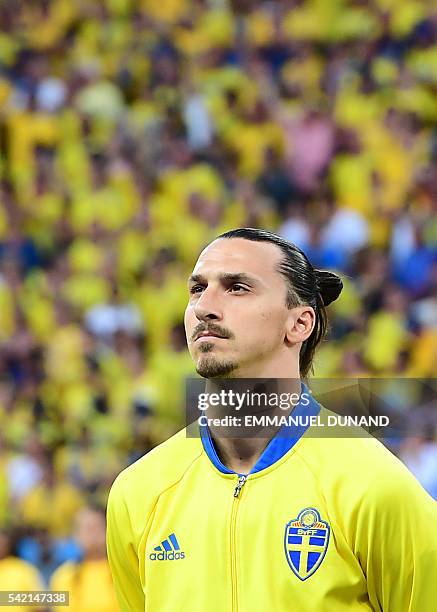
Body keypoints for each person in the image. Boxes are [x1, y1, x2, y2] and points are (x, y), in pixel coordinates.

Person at [107, 228, 437, 611]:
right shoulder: (138, 492)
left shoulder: (374, 486)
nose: (203, 307)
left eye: (237, 288)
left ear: (299, 324)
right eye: (197, 289)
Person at [50, 504, 119, 612]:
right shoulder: (64, 575)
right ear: (75, 535)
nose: (92, 534)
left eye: (96, 527)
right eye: (86, 528)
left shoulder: (122, 570)